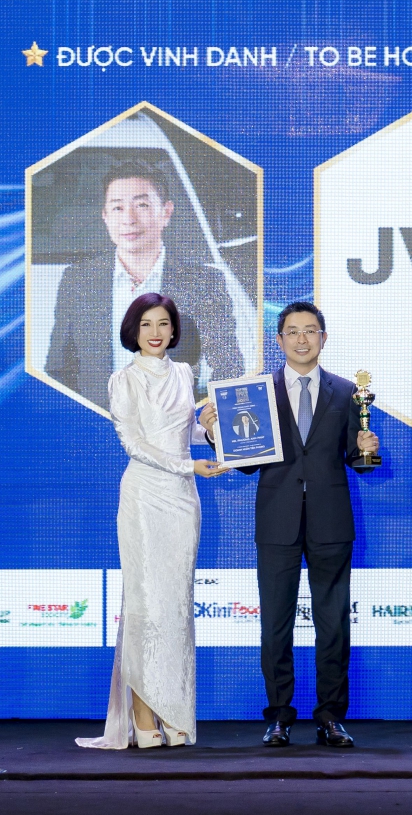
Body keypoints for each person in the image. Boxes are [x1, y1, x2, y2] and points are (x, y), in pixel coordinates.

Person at [201, 301, 380, 748]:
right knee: (275, 624)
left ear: (324, 338)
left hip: (331, 522)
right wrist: (215, 433)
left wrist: (367, 449)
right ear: (279, 340)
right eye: (293, 332)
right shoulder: (257, 393)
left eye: (311, 331)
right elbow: (246, 463)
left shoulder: (347, 393)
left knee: (333, 624)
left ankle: (330, 717)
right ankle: (279, 716)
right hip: (277, 520)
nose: (302, 339)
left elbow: (357, 461)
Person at [78, 292, 229, 750]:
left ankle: (172, 710)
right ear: (133, 330)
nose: (156, 332)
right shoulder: (123, 379)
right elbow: (134, 443)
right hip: (145, 497)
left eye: (163, 323)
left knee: (175, 606)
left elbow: (187, 432)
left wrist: (213, 428)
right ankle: (143, 716)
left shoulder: (184, 374)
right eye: (146, 324)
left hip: (183, 501)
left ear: (174, 329)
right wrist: (188, 466)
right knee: (146, 605)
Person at [46, 158, 244, 409]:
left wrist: (206, 417)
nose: (128, 219)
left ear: (166, 212)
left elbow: (229, 367)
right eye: (117, 208)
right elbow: (58, 370)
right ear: (105, 216)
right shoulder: (78, 281)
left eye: (141, 205)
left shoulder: (203, 283)